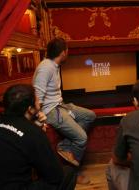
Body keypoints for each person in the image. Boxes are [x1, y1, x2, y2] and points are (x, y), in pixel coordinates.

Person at [33, 37, 96, 183]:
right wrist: (39, 120)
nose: (68, 53)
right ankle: (73, 174)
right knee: (81, 138)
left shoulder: (53, 65)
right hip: (51, 111)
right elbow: (37, 97)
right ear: (63, 52)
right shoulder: (45, 68)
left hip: (60, 105)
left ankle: (65, 146)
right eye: (67, 50)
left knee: (90, 116)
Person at [0, 84, 77, 190]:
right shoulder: (33, 132)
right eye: (37, 99)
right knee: (68, 173)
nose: (39, 102)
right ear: (30, 109)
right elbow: (55, 176)